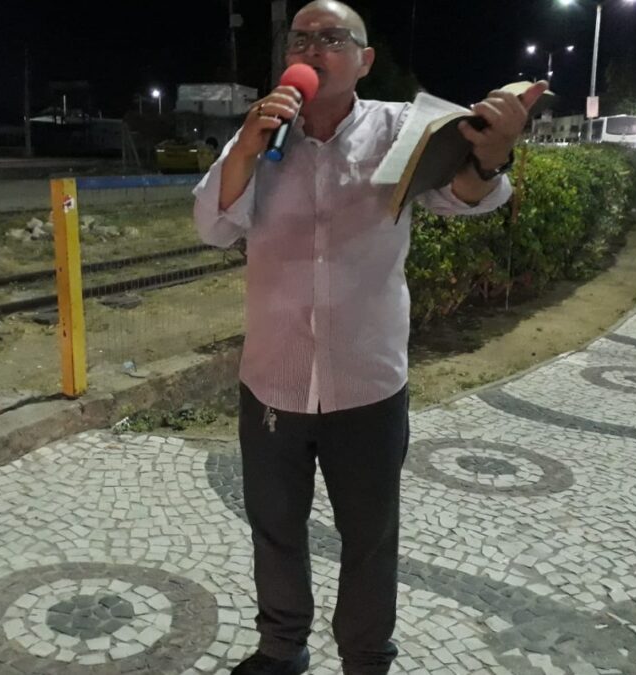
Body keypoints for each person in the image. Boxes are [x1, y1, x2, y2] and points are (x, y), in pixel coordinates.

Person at [193, 2, 547, 673]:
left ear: (364, 60)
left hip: (368, 383)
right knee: (275, 529)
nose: (314, 47)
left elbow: (465, 196)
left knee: (370, 537)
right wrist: (245, 144)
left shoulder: (398, 131)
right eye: (301, 38)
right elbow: (212, 224)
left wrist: (493, 154)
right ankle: (281, 646)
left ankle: (365, 657)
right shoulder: (264, 137)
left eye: (333, 38)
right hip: (273, 380)